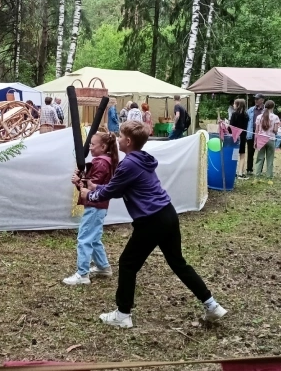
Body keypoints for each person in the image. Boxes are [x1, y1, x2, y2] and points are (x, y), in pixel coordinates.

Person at [81, 121, 227, 328]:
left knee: (127, 264)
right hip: (167, 214)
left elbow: (111, 191)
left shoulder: (129, 163)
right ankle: (212, 305)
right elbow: (121, 187)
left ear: (128, 141)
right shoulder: (141, 159)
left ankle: (123, 315)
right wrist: (97, 187)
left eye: (121, 136)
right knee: (178, 263)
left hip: (151, 221)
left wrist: (90, 194)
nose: (118, 139)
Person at [64, 132, 119, 285]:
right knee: (94, 238)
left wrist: (78, 181)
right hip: (99, 206)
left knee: (84, 238)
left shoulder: (101, 163)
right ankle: (103, 267)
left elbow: (92, 188)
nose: (90, 147)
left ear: (103, 147)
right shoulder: (104, 161)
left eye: (92, 144)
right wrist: (80, 179)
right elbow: (91, 183)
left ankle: (82, 274)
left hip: (95, 206)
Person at [254, 100, 280, 180]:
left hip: (261, 139)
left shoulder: (259, 117)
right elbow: (275, 130)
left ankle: (257, 174)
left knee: (260, 158)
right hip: (271, 139)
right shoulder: (275, 117)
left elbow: (257, 130)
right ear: (273, 107)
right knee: (270, 158)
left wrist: (255, 140)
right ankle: (269, 176)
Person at [228, 99, 249, 179]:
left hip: (234, 136)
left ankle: (233, 171)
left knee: (234, 154)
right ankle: (240, 172)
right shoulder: (246, 115)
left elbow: (231, 127)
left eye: (234, 104)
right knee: (242, 154)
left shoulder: (234, 114)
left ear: (237, 105)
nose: (233, 105)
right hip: (243, 136)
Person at [245, 94, 266, 174]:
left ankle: (259, 170)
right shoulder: (251, 110)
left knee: (261, 152)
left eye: (257, 99)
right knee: (250, 152)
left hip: (262, 134)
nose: (256, 100)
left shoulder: (266, 110)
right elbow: (246, 120)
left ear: (262, 100)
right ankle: (249, 170)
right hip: (251, 132)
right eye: (255, 99)